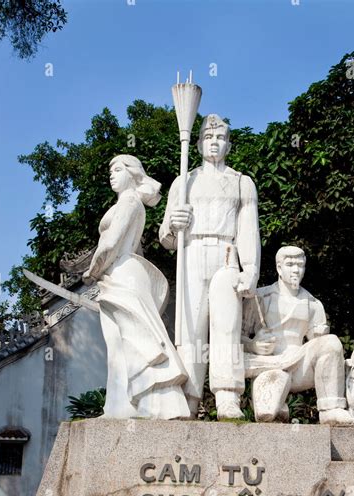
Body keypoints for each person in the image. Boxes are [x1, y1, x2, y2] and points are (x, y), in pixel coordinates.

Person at [159, 114, 261, 419]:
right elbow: (166, 237)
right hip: (190, 254)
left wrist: (251, 269)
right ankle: (188, 398)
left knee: (226, 326)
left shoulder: (242, 182)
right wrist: (173, 226)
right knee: (190, 330)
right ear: (199, 143)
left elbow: (247, 229)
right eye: (207, 138)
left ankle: (228, 396)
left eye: (220, 138)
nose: (214, 143)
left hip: (226, 253)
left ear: (229, 143)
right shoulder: (184, 181)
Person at [83, 154, 190, 420]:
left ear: (132, 173)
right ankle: (122, 406)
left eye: (117, 169)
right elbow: (136, 249)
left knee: (129, 342)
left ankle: (136, 406)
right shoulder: (130, 203)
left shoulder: (130, 201)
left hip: (120, 273)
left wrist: (92, 270)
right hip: (121, 274)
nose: (111, 175)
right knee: (122, 342)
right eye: (111, 170)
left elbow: (111, 243)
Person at [242, 246, 354, 425]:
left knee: (331, 342)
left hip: (299, 365)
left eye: (300, 265)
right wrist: (253, 345)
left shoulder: (313, 304)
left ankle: (331, 409)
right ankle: (279, 404)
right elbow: (233, 338)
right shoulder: (260, 297)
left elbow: (324, 353)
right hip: (267, 365)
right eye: (290, 264)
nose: (296, 270)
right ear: (279, 268)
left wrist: (349, 370)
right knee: (267, 415)